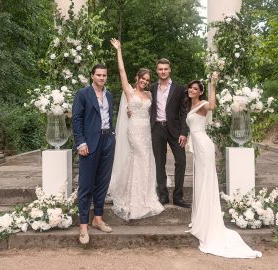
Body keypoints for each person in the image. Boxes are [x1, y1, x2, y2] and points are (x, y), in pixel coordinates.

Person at [186, 75, 262, 258]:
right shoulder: (189, 105)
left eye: (195, 89)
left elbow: (212, 105)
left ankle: (207, 222)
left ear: (201, 91)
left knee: (206, 181)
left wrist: (213, 83)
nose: (192, 90)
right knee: (200, 180)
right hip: (197, 146)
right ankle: (199, 218)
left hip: (204, 145)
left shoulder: (203, 104)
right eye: (190, 88)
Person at [109, 38, 164, 220]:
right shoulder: (129, 92)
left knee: (145, 159)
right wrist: (119, 50)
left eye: (147, 80)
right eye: (142, 79)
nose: (145, 82)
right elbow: (122, 71)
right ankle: (133, 200)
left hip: (146, 131)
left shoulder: (150, 94)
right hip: (133, 130)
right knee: (139, 156)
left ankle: (145, 194)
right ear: (137, 78)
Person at [72, 64, 116, 245]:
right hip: (89, 144)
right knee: (86, 184)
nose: (102, 78)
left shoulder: (110, 95)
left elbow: (108, 118)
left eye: (104, 75)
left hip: (107, 142)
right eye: (98, 75)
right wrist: (81, 142)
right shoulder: (83, 94)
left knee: (103, 182)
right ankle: (83, 225)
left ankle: (97, 219)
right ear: (92, 76)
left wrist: (112, 136)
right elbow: (76, 119)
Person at [150, 58, 190, 208]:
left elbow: (184, 112)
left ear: (170, 70)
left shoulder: (179, 89)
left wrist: (184, 132)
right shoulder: (152, 88)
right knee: (159, 163)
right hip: (157, 129)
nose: (163, 71)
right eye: (160, 69)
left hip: (175, 130)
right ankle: (163, 195)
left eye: (165, 69)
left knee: (181, 161)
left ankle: (178, 196)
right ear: (157, 70)